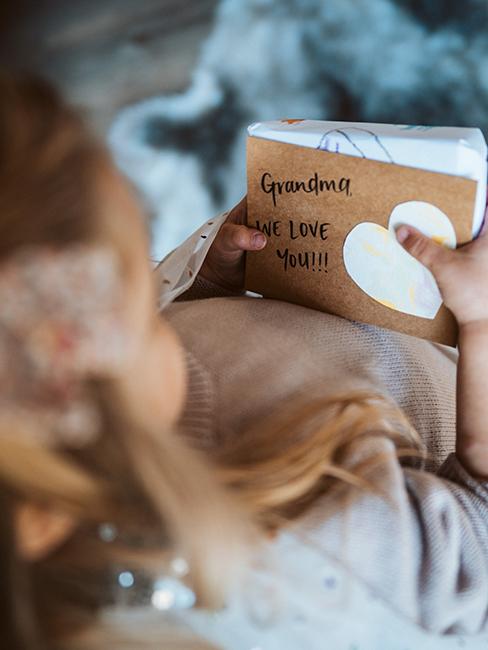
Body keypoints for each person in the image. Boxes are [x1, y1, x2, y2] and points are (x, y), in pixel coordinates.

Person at [0, 72, 487, 650]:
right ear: (78, 355)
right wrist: (481, 322)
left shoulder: (75, 401)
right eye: (136, 267)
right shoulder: (313, 554)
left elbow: (151, 311)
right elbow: (477, 534)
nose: (152, 292)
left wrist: (203, 279)